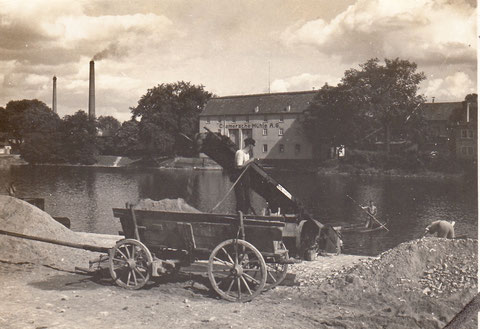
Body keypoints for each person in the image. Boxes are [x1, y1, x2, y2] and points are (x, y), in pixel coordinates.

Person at [234, 137, 256, 214]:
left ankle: (245, 216)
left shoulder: (247, 154)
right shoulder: (240, 153)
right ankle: (240, 217)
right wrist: (250, 161)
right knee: (241, 199)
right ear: (250, 145)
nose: (253, 148)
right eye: (253, 146)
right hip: (240, 179)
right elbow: (239, 166)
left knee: (247, 199)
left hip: (245, 179)